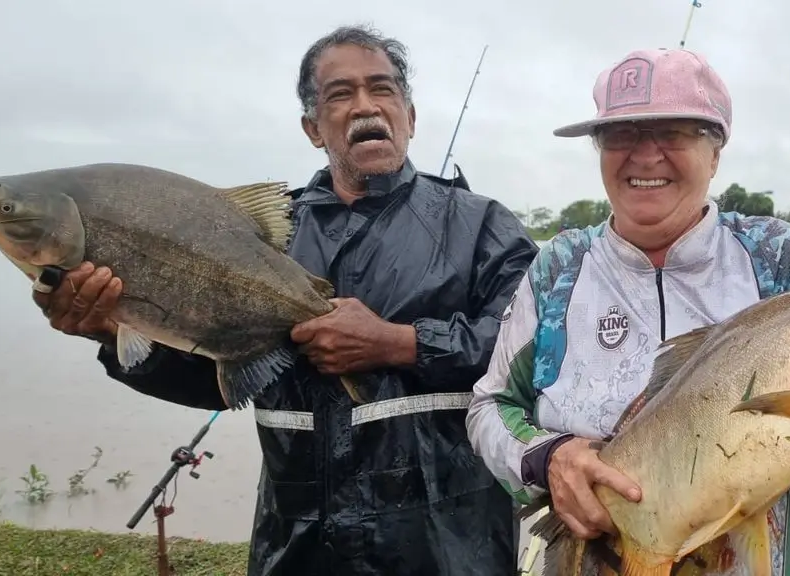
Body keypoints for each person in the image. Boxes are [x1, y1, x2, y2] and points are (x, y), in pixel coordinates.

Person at [31, 25, 538, 576]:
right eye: (340, 95)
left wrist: (401, 344)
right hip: (295, 548)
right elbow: (217, 380)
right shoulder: (262, 236)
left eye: (383, 89)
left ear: (409, 118)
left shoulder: (481, 224)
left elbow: (536, 356)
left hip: (453, 549)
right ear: (313, 128)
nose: (365, 106)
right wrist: (109, 333)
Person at [466, 48, 790, 575]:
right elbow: (489, 407)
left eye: (674, 132)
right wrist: (548, 456)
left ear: (716, 151)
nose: (645, 155)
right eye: (621, 134)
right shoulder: (558, 267)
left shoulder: (779, 259)